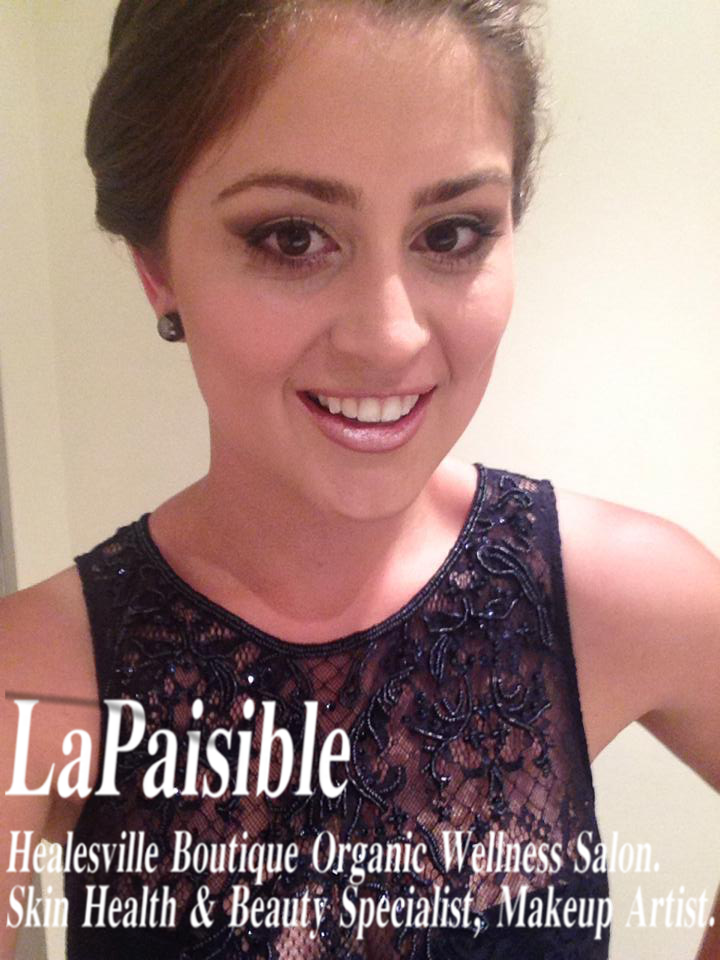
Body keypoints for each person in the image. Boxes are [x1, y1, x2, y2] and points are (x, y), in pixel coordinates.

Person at [2, 1, 718, 958]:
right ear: (156, 267)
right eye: (292, 238)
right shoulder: (36, 680)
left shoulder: (622, 594)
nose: (389, 337)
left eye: (451, 233)